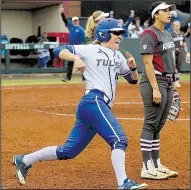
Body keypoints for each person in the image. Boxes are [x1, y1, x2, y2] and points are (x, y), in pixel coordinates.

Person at [13, 18, 148, 190]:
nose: (120, 36)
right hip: (93, 101)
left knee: (68, 151)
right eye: (117, 33)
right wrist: (75, 58)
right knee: (119, 139)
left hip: (97, 108)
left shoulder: (119, 56)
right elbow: (59, 50)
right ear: (104, 34)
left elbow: (131, 80)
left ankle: (24, 160)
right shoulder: (91, 49)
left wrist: (134, 68)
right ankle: (123, 183)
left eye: (121, 33)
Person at [139, 1, 178, 180]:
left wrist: (174, 82)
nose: (169, 13)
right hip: (155, 80)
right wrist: (155, 88)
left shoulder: (167, 34)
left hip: (168, 81)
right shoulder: (149, 33)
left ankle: (156, 163)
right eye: (165, 10)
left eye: (169, 10)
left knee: (159, 124)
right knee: (151, 123)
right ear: (155, 14)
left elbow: (170, 60)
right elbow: (147, 63)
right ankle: (146, 167)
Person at [60, 8, 86, 82]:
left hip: (79, 48)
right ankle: (68, 78)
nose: (75, 22)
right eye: (74, 21)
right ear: (72, 22)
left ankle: (84, 78)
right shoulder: (71, 27)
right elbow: (65, 21)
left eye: (76, 20)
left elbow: (84, 40)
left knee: (81, 63)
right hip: (72, 48)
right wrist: (62, 13)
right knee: (70, 63)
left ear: (78, 21)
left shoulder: (81, 29)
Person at [171, 20, 190, 88]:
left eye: (178, 26)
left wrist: (187, 52)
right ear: (173, 26)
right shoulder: (171, 34)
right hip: (173, 52)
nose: (177, 27)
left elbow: (184, 44)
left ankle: (177, 81)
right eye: (176, 25)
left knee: (179, 67)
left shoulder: (182, 33)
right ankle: (172, 81)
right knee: (173, 67)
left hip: (181, 52)